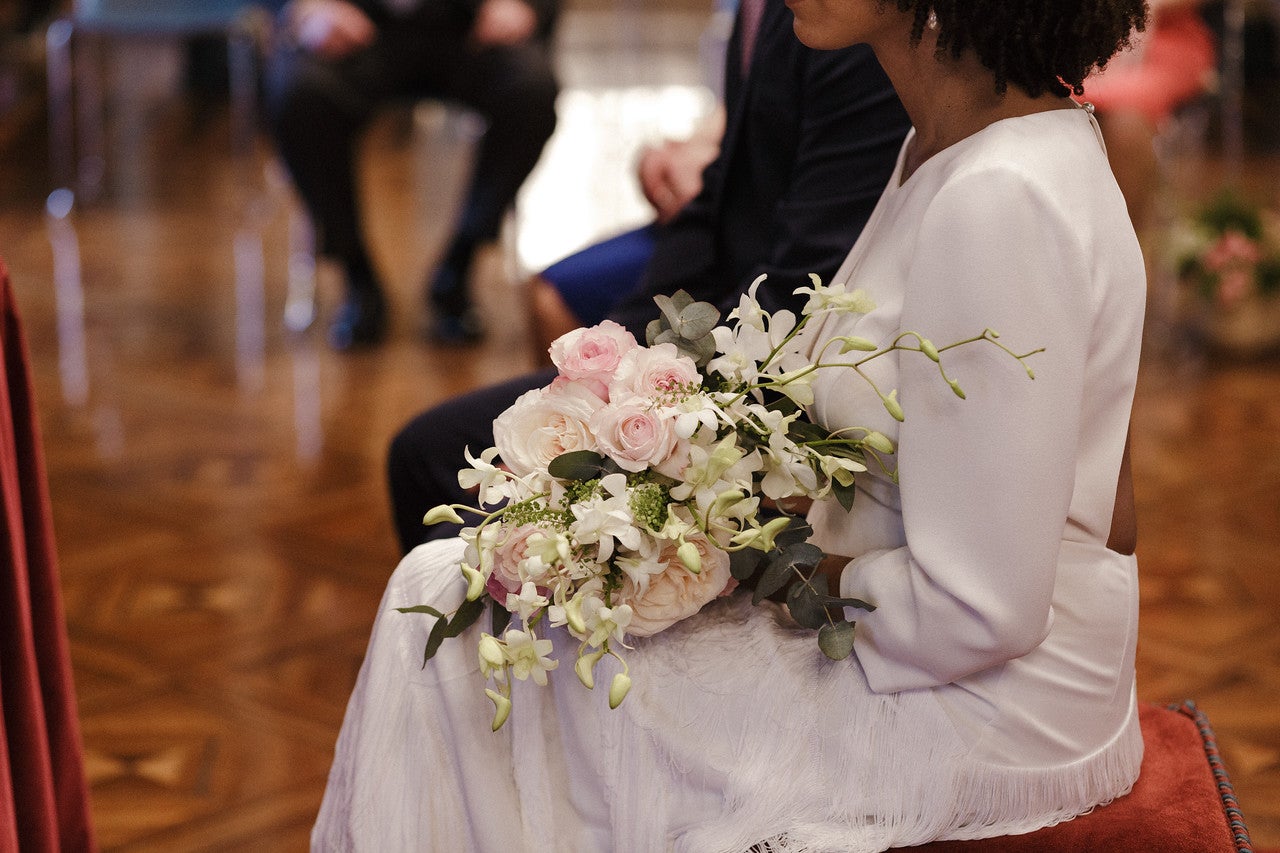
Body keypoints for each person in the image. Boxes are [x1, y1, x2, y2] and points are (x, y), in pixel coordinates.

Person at [315, 0, 1149, 848]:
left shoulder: (997, 195)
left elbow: (985, 610)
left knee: (446, 619)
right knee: (451, 593)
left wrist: (760, 569)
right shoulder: (945, 143)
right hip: (916, 638)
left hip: (984, 708)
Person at [386, 0, 912, 553]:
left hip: (767, 366)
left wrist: (647, 388)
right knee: (429, 448)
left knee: (431, 458)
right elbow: (716, 194)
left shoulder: (841, 22)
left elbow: (802, 284)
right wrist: (623, 345)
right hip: (721, 293)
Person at [264, 0, 560, 349]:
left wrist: (525, 6)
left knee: (531, 90)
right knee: (300, 95)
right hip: (355, 21)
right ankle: (356, 273)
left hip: (468, 25)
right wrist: (306, 8)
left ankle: (461, 260)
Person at [526, 107, 725, 361]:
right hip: (681, 217)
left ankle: (576, 388)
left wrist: (699, 170)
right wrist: (675, 153)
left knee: (552, 297)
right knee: (545, 284)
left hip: (711, 231)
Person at [1082, 0, 1217, 226]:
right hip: (1082, 33)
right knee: (1044, 97)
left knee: (1125, 120)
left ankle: (1127, 238)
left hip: (1165, 39)